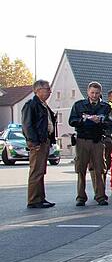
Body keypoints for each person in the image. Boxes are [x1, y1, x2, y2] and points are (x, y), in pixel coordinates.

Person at [69, 81, 112, 206]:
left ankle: (100, 196)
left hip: (98, 140)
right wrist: (85, 120)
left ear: (100, 94)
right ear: (88, 92)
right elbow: (72, 121)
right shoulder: (78, 105)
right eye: (92, 93)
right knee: (80, 169)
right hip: (82, 139)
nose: (94, 95)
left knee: (99, 169)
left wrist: (100, 120)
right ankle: (81, 197)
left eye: (97, 93)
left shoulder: (105, 107)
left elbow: (110, 124)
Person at [21, 79, 58, 209]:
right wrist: (33, 141)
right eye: (47, 89)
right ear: (38, 90)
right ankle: (33, 200)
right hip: (37, 142)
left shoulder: (43, 105)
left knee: (41, 171)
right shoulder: (31, 105)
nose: (50, 91)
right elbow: (27, 125)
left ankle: (40, 198)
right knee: (36, 171)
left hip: (44, 140)